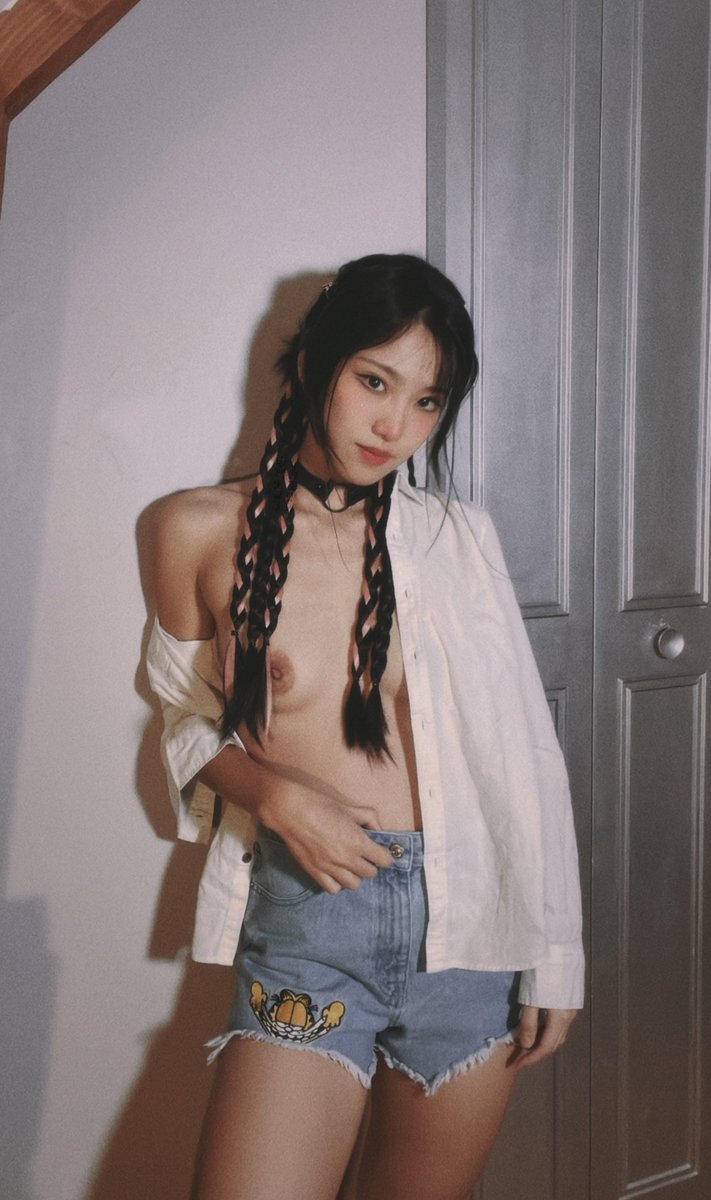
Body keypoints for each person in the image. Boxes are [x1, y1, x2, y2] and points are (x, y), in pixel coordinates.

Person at [146, 253, 583, 1200]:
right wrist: (276, 797)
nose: (394, 426)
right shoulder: (191, 530)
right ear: (314, 363)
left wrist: (556, 959)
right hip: (311, 924)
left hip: (470, 929)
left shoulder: (456, 539)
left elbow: (526, 760)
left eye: (427, 402)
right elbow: (185, 722)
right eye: (374, 381)